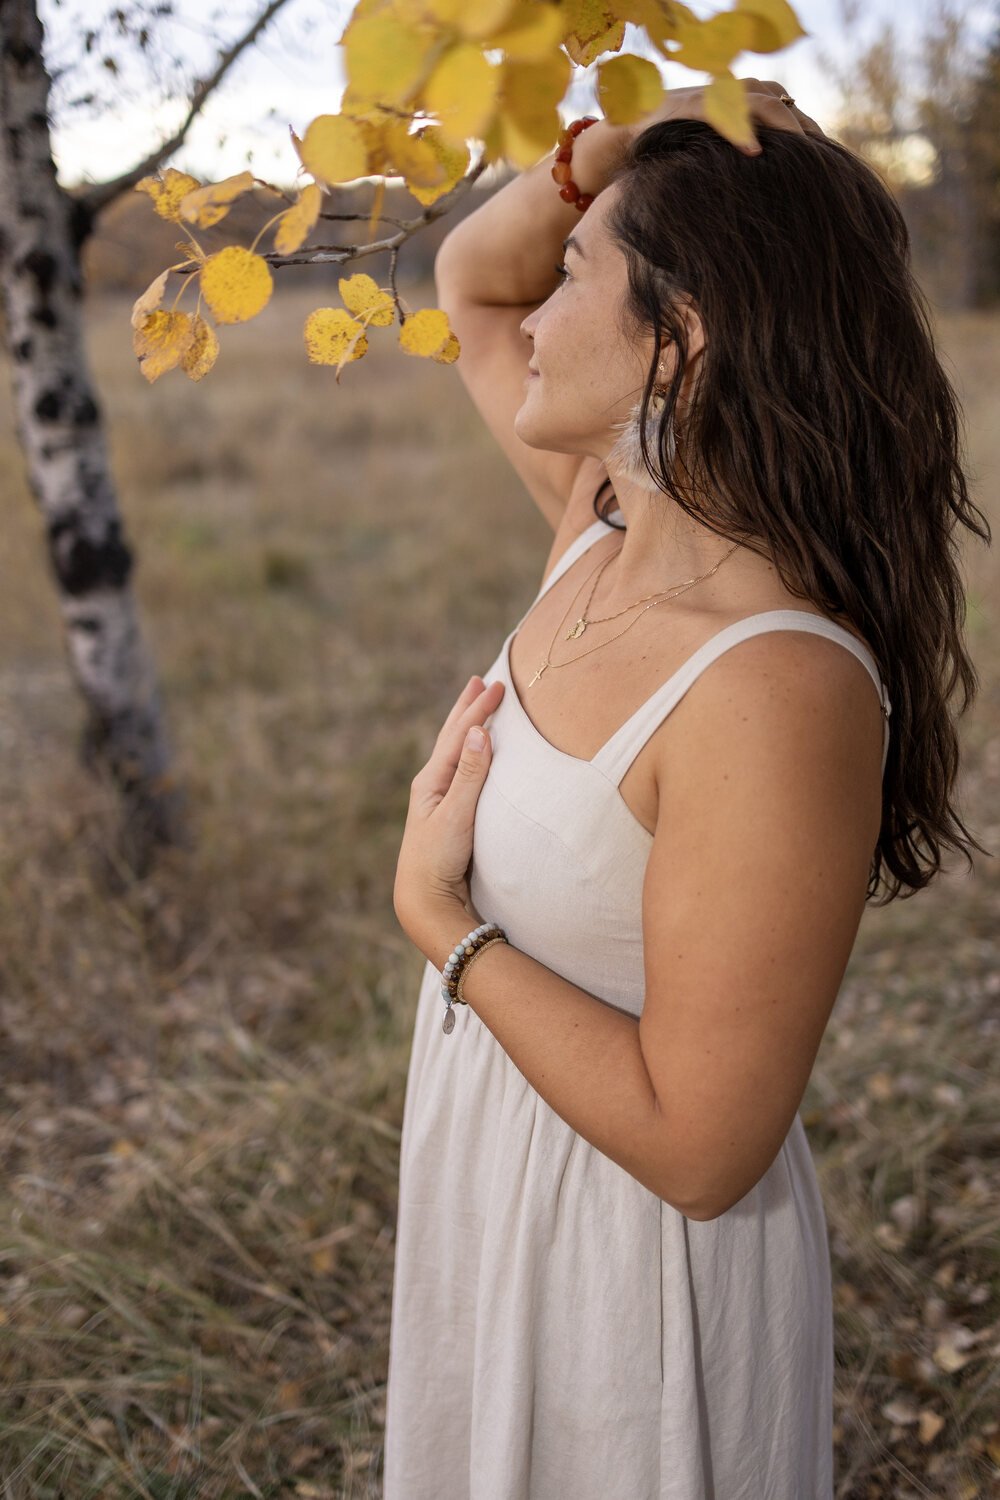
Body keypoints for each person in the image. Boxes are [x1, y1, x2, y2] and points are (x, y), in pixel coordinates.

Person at [386, 79, 990, 1499]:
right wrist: (652, 134)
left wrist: (439, 922)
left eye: (581, 272)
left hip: (633, 1275)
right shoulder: (601, 523)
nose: (535, 316)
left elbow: (706, 1150)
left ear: (686, 330)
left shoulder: (775, 688)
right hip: (498, 1180)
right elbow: (470, 276)